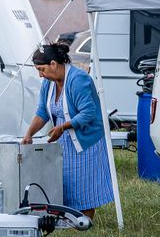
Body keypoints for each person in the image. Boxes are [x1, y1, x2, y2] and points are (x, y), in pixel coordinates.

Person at [21, 42, 114, 219]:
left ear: (54, 64)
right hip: (64, 139)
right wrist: (29, 134)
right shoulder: (49, 84)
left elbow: (88, 113)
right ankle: (68, 219)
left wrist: (63, 127)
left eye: (42, 69)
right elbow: (42, 112)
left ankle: (84, 221)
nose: (41, 75)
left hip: (86, 139)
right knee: (65, 181)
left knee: (83, 185)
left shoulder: (78, 80)